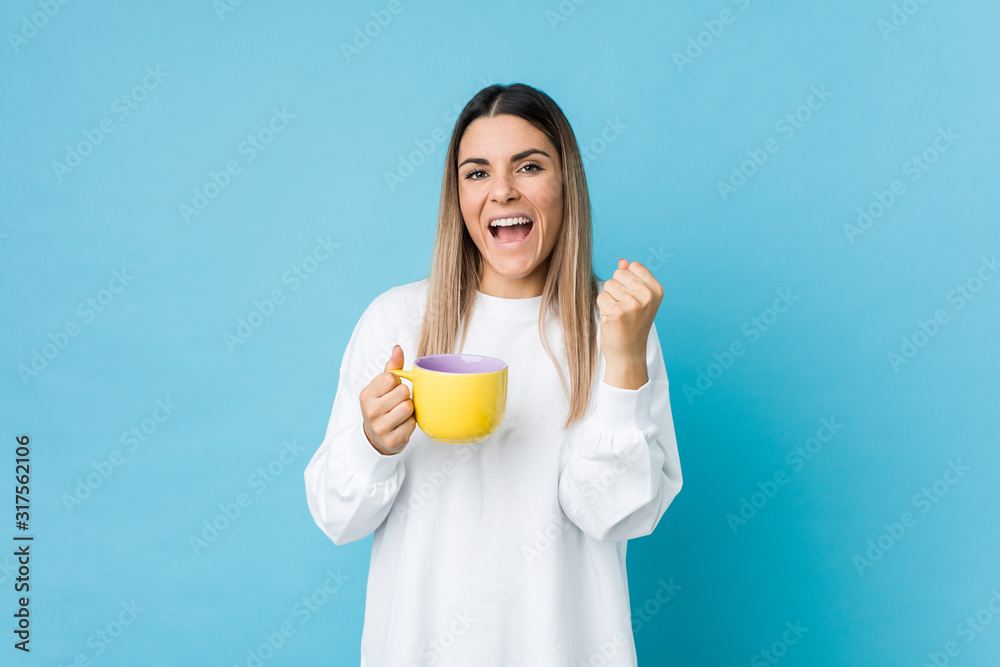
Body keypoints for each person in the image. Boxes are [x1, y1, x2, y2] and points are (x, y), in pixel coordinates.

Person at [304, 83, 682, 666]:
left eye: (529, 166)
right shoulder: (398, 320)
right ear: (457, 195)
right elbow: (337, 517)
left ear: (566, 183)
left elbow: (617, 514)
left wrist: (625, 359)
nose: (502, 190)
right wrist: (371, 445)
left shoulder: (617, 326)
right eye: (476, 173)